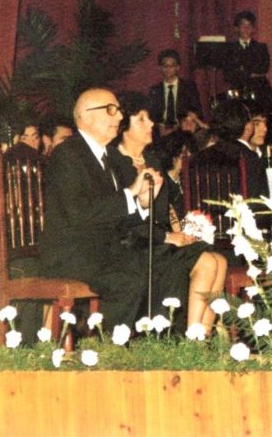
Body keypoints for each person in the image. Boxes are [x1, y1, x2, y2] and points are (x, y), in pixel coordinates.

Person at [40, 88, 194, 331]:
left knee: (170, 264)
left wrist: (143, 204)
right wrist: (132, 193)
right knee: (128, 275)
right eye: (110, 110)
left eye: (119, 111)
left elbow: (115, 213)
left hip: (105, 248)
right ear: (86, 116)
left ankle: (160, 343)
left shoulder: (108, 157)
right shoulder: (67, 155)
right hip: (73, 252)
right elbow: (80, 214)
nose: (119, 117)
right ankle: (111, 348)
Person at [106, 92, 227, 332]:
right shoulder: (114, 164)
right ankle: (192, 340)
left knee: (220, 260)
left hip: (158, 238)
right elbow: (121, 220)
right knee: (206, 263)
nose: (151, 124)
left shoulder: (152, 159)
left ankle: (202, 339)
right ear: (124, 128)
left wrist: (178, 232)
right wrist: (166, 237)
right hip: (134, 243)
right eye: (141, 120)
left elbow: (162, 211)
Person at [148, 48, 203, 138]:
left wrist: (179, 127)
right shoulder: (155, 90)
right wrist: (160, 126)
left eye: (172, 65)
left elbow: (197, 111)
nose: (168, 69)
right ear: (160, 68)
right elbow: (151, 115)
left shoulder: (188, 87)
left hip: (183, 129)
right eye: (165, 65)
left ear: (178, 67)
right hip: (161, 131)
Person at [222, 11, 272, 101]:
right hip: (237, 89)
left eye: (249, 25)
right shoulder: (229, 49)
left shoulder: (261, 47)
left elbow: (263, 68)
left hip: (259, 88)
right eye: (243, 25)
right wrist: (249, 73)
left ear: (253, 29)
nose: (246, 28)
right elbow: (227, 74)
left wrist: (241, 71)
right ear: (236, 28)